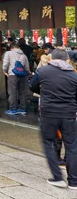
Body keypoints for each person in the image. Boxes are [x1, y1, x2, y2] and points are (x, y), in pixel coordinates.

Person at [29, 48, 77, 189]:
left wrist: (44, 91)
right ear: (67, 60)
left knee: (48, 142)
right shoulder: (74, 76)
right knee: (72, 146)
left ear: (51, 59)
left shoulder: (43, 72)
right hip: (69, 114)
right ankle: (74, 181)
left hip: (48, 113)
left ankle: (57, 177)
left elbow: (32, 86)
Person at [3, 43, 30, 115]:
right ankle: (22, 109)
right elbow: (27, 67)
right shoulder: (24, 55)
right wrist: (27, 73)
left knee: (12, 92)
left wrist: (5, 71)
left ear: (12, 48)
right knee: (22, 91)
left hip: (12, 74)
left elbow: (5, 64)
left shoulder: (8, 53)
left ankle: (13, 109)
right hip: (23, 75)